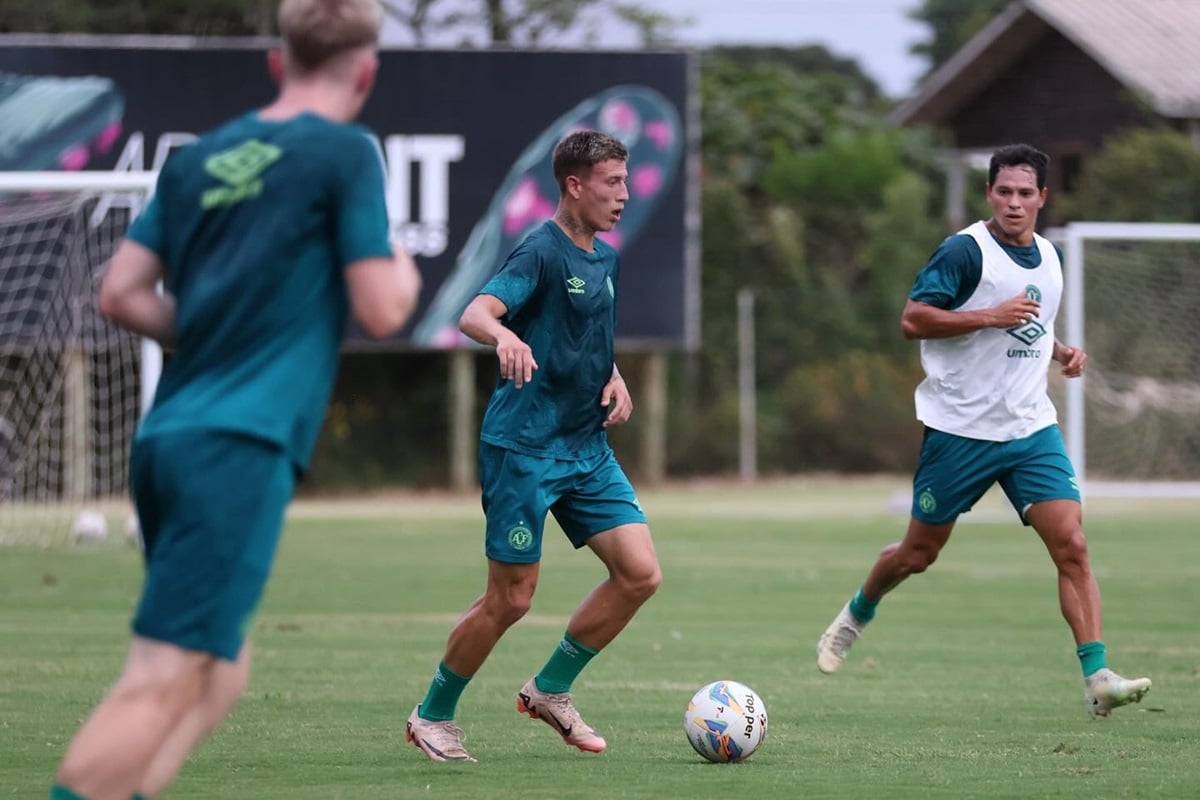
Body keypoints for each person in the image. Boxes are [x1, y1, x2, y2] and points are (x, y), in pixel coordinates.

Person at [50, 2, 422, 798]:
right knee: (156, 681)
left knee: (219, 673)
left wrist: (217, 328)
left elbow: (119, 293)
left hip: (167, 440)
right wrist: (402, 261)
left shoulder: (198, 160)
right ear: (367, 70)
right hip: (238, 444)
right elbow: (384, 306)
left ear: (277, 61)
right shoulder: (344, 153)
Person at [815, 143, 1151, 719]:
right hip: (959, 432)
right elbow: (913, 319)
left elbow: (1032, 328)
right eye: (1004, 192)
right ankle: (858, 610)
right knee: (919, 554)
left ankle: (1097, 676)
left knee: (1071, 543)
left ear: (1044, 197)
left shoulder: (1051, 256)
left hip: (1028, 428)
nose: (1014, 203)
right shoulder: (964, 252)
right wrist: (989, 314)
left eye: (1026, 193)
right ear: (989, 194)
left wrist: (1064, 352)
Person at [405, 130, 662, 762]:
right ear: (574, 185)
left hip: (585, 449)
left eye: (626, 182)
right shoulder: (540, 252)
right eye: (612, 182)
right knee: (512, 598)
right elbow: (473, 314)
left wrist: (613, 374)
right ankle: (431, 715)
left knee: (639, 574)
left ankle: (549, 690)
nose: (624, 195)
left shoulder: (605, 259)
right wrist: (503, 337)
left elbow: (586, 337)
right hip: (523, 449)